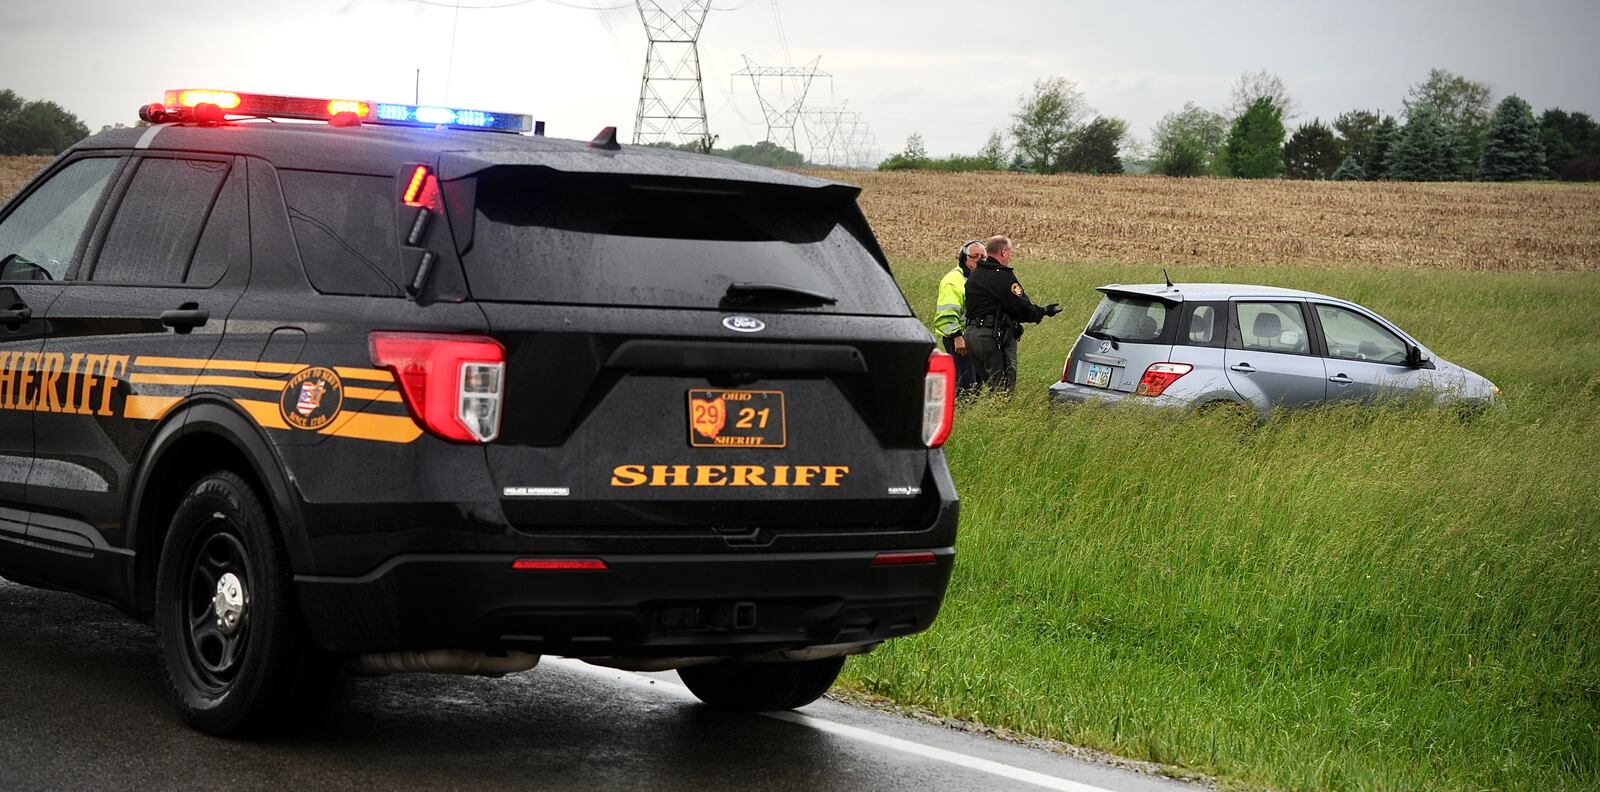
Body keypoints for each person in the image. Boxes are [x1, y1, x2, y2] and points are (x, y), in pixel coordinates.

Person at [963, 235, 1062, 392]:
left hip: (972, 337)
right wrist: (1043, 311)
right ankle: (996, 416)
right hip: (992, 338)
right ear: (1003, 252)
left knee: (990, 387)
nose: (1010, 256)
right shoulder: (1001, 275)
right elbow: (1022, 308)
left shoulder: (975, 274)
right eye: (1009, 252)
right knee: (1003, 390)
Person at [931, 239, 984, 393]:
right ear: (963, 257)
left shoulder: (977, 278)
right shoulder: (953, 280)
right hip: (960, 341)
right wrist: (957, 336)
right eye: (974, 256)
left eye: (983, 257)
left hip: (976, 339)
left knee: (977, 387)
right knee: (965, 387)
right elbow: (946, 314)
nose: (979, 260)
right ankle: (959, 414)